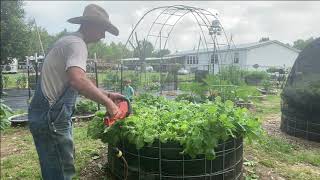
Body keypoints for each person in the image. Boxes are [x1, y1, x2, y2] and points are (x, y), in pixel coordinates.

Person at [28, 4, 122, 180]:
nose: (103, 36)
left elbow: (76, 80)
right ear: (89, 25)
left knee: (56, 165)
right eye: (103, 29)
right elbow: (77, 80)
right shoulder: (77, 44)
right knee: (61, 171)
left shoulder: (68, 41)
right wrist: (109, 104)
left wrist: (108, 95)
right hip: (52, 118)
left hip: (47, 115)